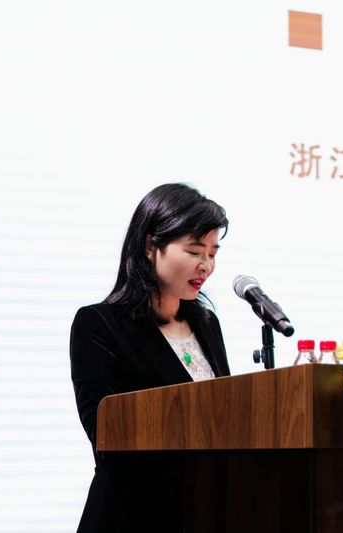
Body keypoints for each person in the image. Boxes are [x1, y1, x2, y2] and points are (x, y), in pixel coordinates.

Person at [69, 183, 230, 532]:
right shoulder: (98, 324)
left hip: (201, 510)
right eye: (195, 251)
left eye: (213, 254)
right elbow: (105, 436)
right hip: (130, 515)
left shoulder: (206, 323)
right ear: (149, 246)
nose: (206, 266)